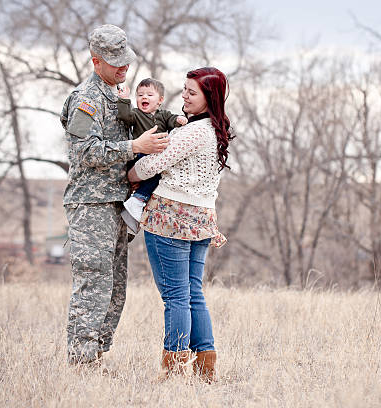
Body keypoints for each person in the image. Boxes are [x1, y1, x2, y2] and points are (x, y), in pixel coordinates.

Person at [60, 24, 168, 366]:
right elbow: (83, 152)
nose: (123, 68)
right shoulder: (86, 99)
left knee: (115, 286)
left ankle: (98, 354)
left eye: (126, 61)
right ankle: (81, 361)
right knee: (93, 282)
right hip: (91, 205)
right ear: (96, 61)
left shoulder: (118, 95)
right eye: (115, 62)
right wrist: (134, 146)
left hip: (118, 204)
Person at [127, 67, 233, 382]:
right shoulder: (216, 130)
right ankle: (205, 366)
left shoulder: (191, 132)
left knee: (175, 296)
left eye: (192, 92)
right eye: (184, 90)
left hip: (170, 220)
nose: (184, 96)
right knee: (192, 293)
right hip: (201, 222)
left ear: (208, 97)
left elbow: (152, 163)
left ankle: (174, 367)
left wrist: (130, 175)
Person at [117, 78, 187, 235]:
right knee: (153, 177)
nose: (144, 97)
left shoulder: (164, 114)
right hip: (140, 154)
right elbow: (125, 117)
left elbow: (172, 120)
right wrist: (123, 100)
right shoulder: (136, 114)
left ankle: (136, 210)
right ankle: (138, 200)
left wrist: (178, 120)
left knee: (158, 180)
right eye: (140, 95)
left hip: (158, 156)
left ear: (160, 100)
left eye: (149, 94)